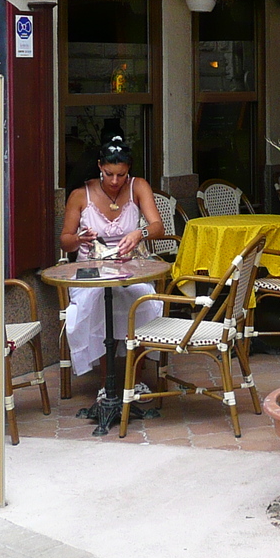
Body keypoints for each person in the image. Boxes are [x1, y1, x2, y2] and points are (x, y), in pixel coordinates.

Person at [59, 138, 169, 403]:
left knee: (143, 300)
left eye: (121, 174)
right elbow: (65, 239)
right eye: (109, 174)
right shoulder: (80, 194)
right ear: (99, 167)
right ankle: (105, 382)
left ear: (128, 169)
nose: (115, 181)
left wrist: (138, 233)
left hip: (129, 266)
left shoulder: (138, 186)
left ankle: (136, 378)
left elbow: (157, 226)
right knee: (94, 302)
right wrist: (80, 239)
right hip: (90, 267)